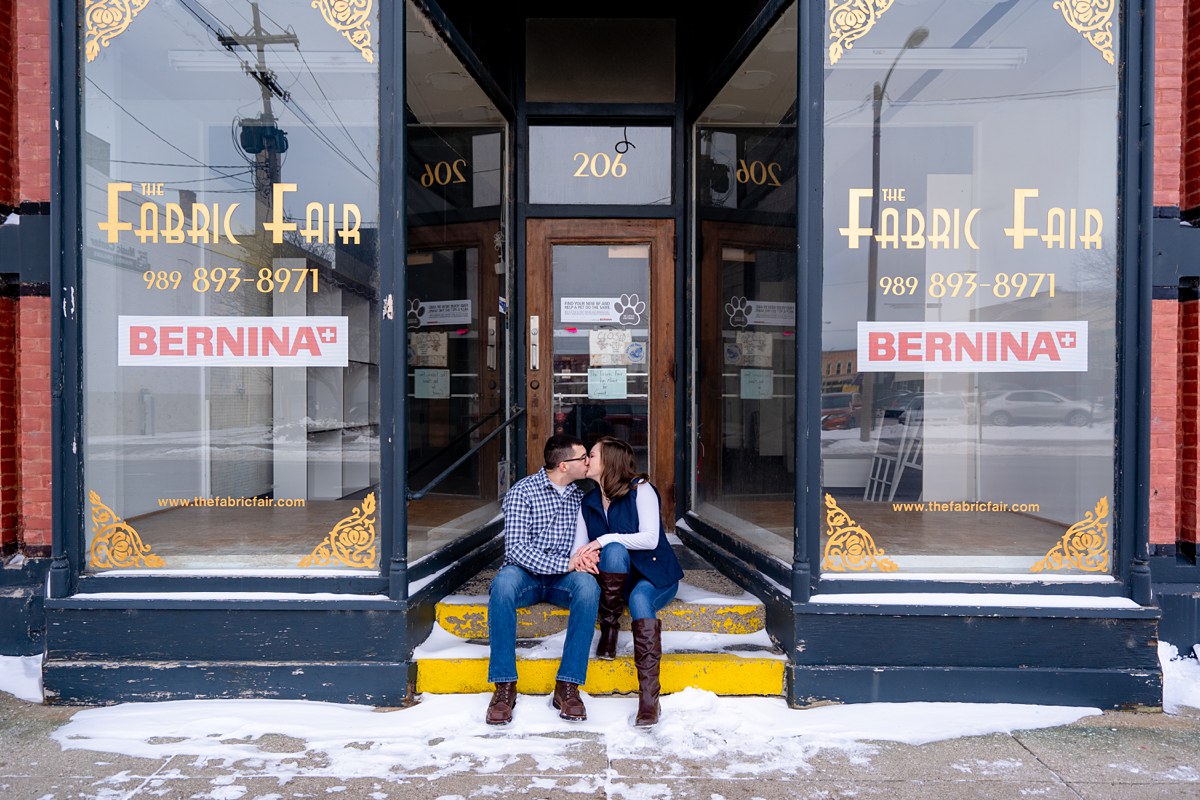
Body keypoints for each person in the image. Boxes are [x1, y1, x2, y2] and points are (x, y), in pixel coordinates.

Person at [485, 434, 601, 725]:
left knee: (588, 587)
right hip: (525, 575)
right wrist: (568, 562)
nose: (588, 461)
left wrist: (583, 559)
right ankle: (504, 686)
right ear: (564, 465)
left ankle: (568, 686)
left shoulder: (582, 494)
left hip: (564, 579)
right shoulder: (523, 492)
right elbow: (517, 549)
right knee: (502, 584)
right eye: (583, 457)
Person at [573, 436, 683, 726]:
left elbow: (650, 538)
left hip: (655, 574)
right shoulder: (589, 500)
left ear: (608, 461)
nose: (586, 461)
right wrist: (582, 557)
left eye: (592, 455)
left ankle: (649, 699)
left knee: (637, 597)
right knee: (611, 551)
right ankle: (609, 629)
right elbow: (580, 545)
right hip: (617, 577)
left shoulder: (641, 490)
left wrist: (606, 538)